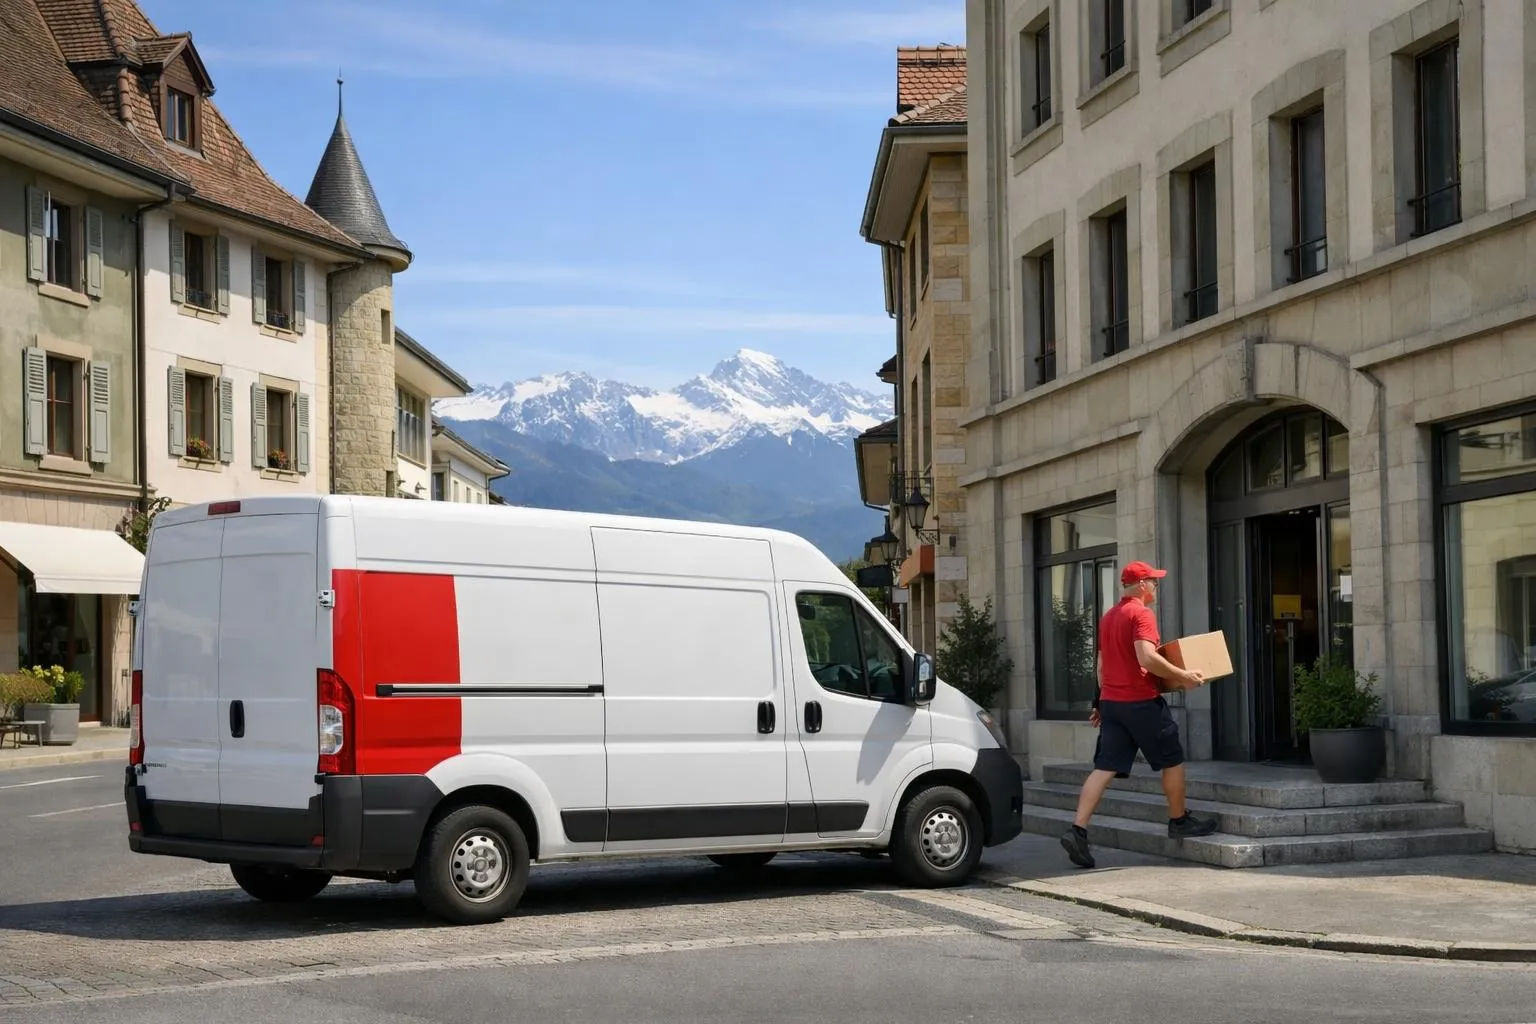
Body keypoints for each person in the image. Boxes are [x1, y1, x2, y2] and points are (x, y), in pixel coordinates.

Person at [1060, 560, 1218, 869]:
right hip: (1142, 702)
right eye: (1154, 582)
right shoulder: (1141, 614)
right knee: (1172, 759)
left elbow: (1102, 667)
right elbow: (1146, 657)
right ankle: (1178, 820)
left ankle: (1078, 830)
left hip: (1114, 705)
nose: (1157, 587)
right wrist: (1183, 675)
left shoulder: (1108, 617)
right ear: (1142, 585)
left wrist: (1099, 703)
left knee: (1103, 768)